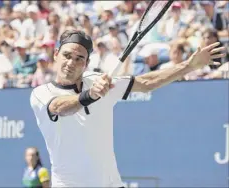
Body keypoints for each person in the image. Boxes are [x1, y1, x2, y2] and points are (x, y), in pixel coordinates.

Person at [30, 30, 225, 187]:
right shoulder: (41, 93)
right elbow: (59, 107)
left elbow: (146, 82)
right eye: (67, 55)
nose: (71, 62)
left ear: (87, 63)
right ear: (56, 55)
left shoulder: (99, 81)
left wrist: (189, 66)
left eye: (79, 58)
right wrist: (89, 95)